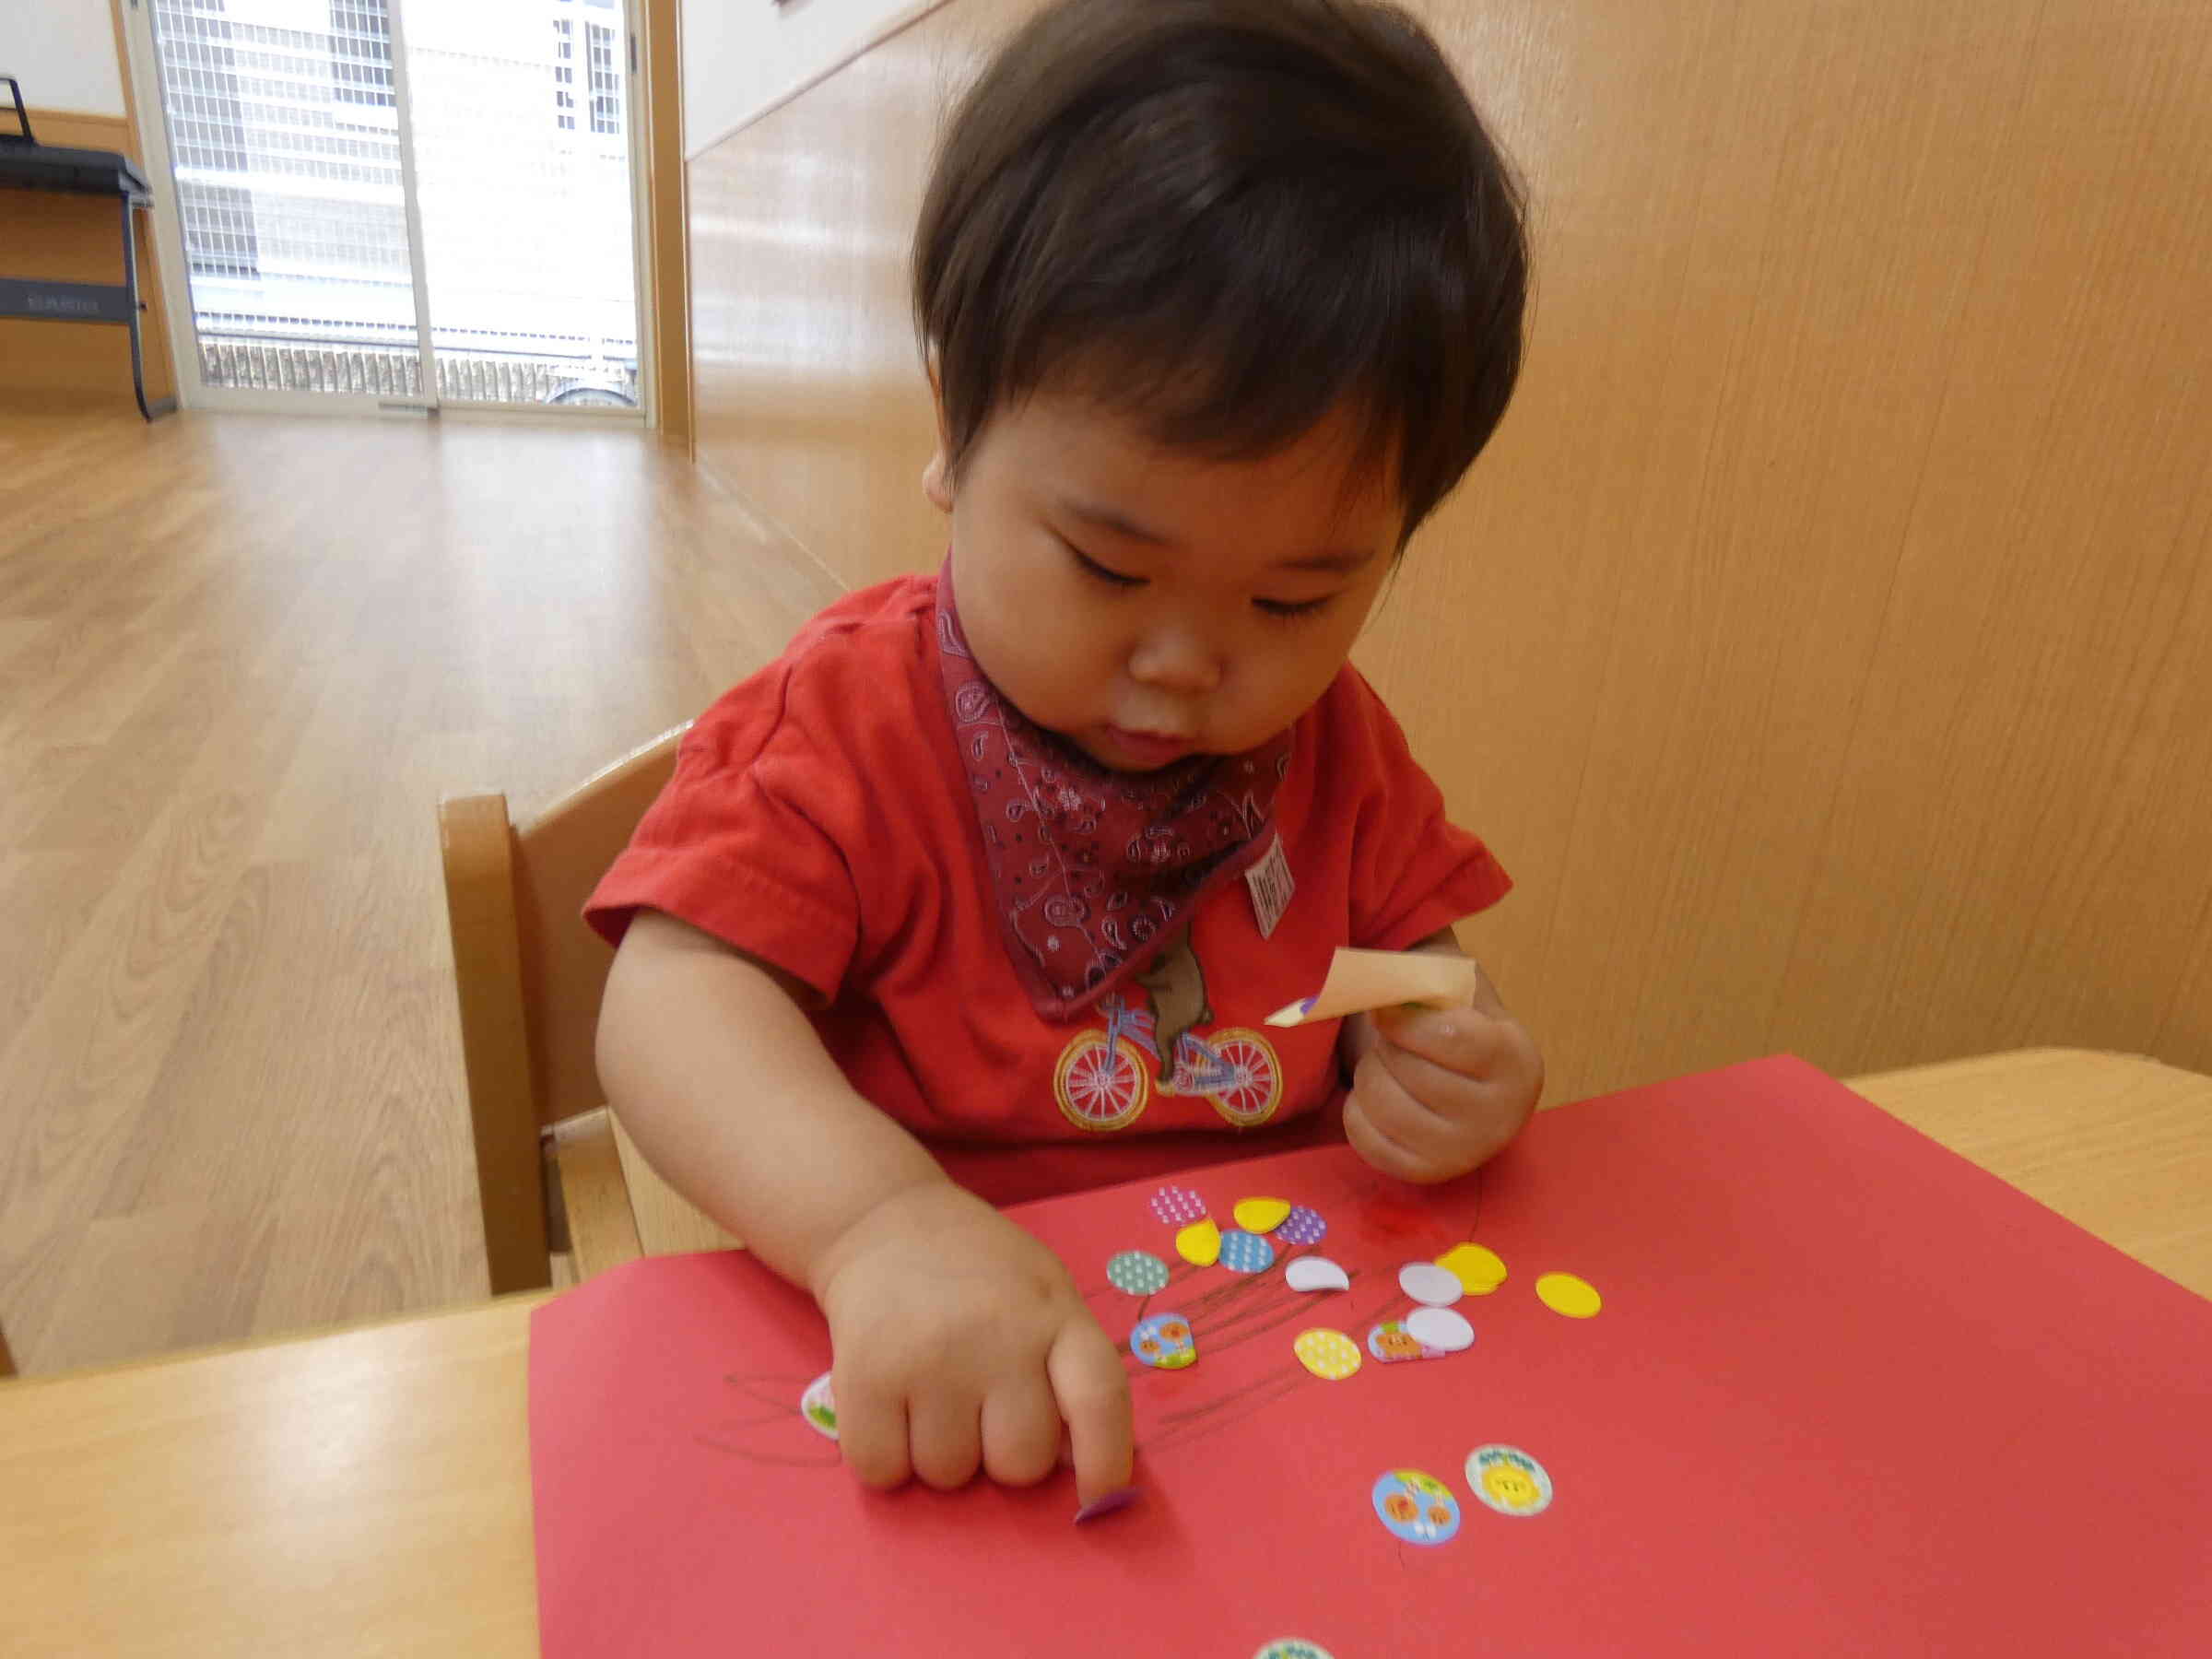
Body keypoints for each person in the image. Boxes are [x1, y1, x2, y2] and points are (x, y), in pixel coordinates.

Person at [589, 0, 1542, 1514]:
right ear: (956, 434)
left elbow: (1390, 961)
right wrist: (874, 1224)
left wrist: (1452, 1049)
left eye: (1293, 601)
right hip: (941, 1371)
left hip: (1276, 1352)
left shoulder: (1334, 745)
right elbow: (671, 1005)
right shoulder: (844, 729)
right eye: (1109, 567)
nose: (1187, 663)